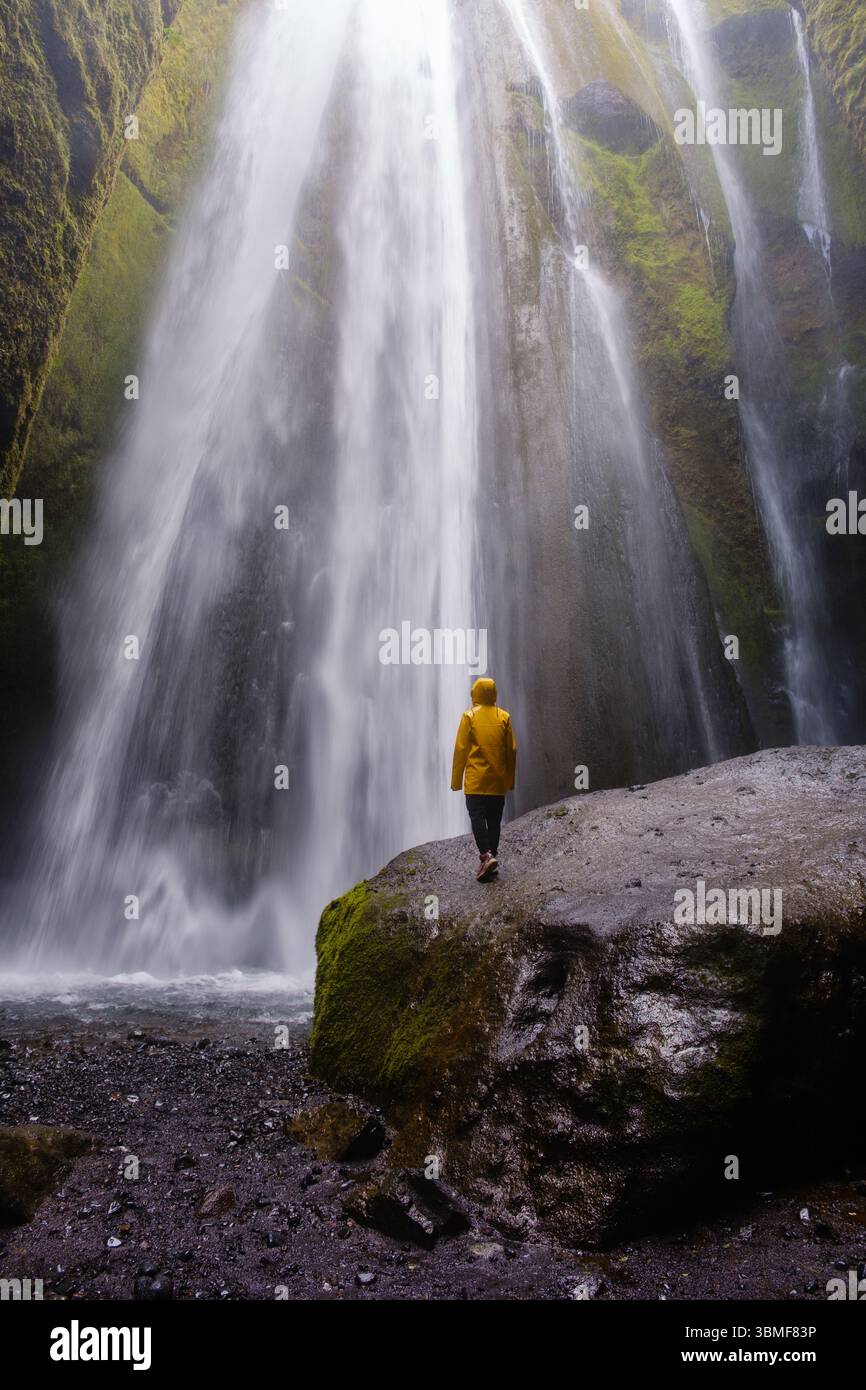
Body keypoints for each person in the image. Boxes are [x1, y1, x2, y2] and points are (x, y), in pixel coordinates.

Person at [450, 676, 517, 881]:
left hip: (476, 782)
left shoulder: (469, 716)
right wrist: (509, 780)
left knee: (477, 817)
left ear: (475, 694)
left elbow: (461, 750)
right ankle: (492, 858)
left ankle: (486, 856)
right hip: (496, 782)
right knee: (494, 820)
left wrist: (456, 781)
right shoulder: (504, 716)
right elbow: (512, 750)